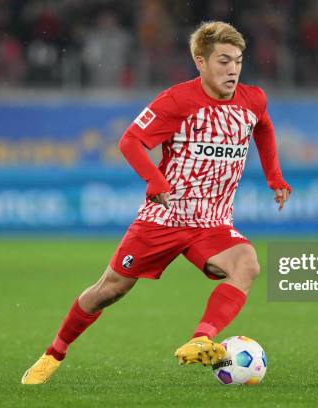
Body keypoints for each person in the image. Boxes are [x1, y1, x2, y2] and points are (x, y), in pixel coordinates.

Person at [21, 21, 291, 384]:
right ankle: (53, 354)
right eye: (223, 61)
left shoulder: (252, 99)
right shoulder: (177, 100)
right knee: (110, 289)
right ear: (200, 61)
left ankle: (201, 339)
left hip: (211, 222)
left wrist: (275, 177)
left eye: (238, 61)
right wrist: (154, 179)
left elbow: (264, 127)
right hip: (164, 217)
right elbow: (130, 141)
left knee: (247, 264)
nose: (233, 70)